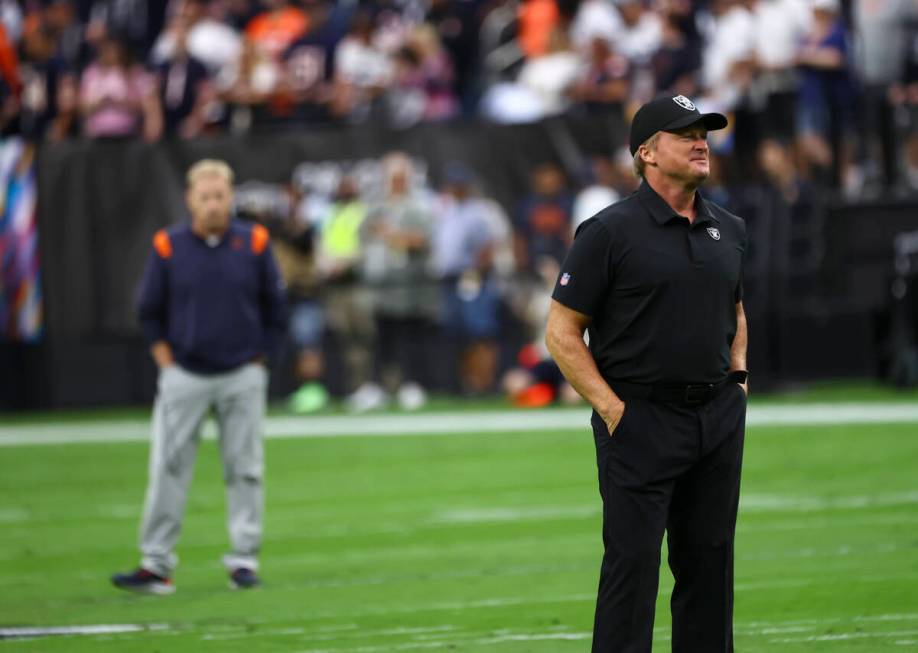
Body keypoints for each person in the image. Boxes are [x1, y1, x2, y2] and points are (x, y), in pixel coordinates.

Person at [545, 94, 749, 652]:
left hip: (716, 417)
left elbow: (734, 308)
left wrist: (738, 379)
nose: (701, 141)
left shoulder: (727, 228)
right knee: (632, 572)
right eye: (685, 133)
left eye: (703, 132)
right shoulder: (608, 232)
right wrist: (614, 412)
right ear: (647, 153)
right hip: (640, 418)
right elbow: (561, 333)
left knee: (709, 567)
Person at [111, 159, 287, 594]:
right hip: (185, 372)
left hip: (241, 372)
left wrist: (258, 359)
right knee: (168, 467)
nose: (212, 204)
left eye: (220, 196)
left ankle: (243, 560)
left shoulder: (256, 242)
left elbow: (276, 308)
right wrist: (165, 361)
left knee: (245, 468)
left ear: (231, 199)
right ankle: (156, 564)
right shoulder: (169, 245)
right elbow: (148, 310)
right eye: (204, 197)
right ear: (190, 199)